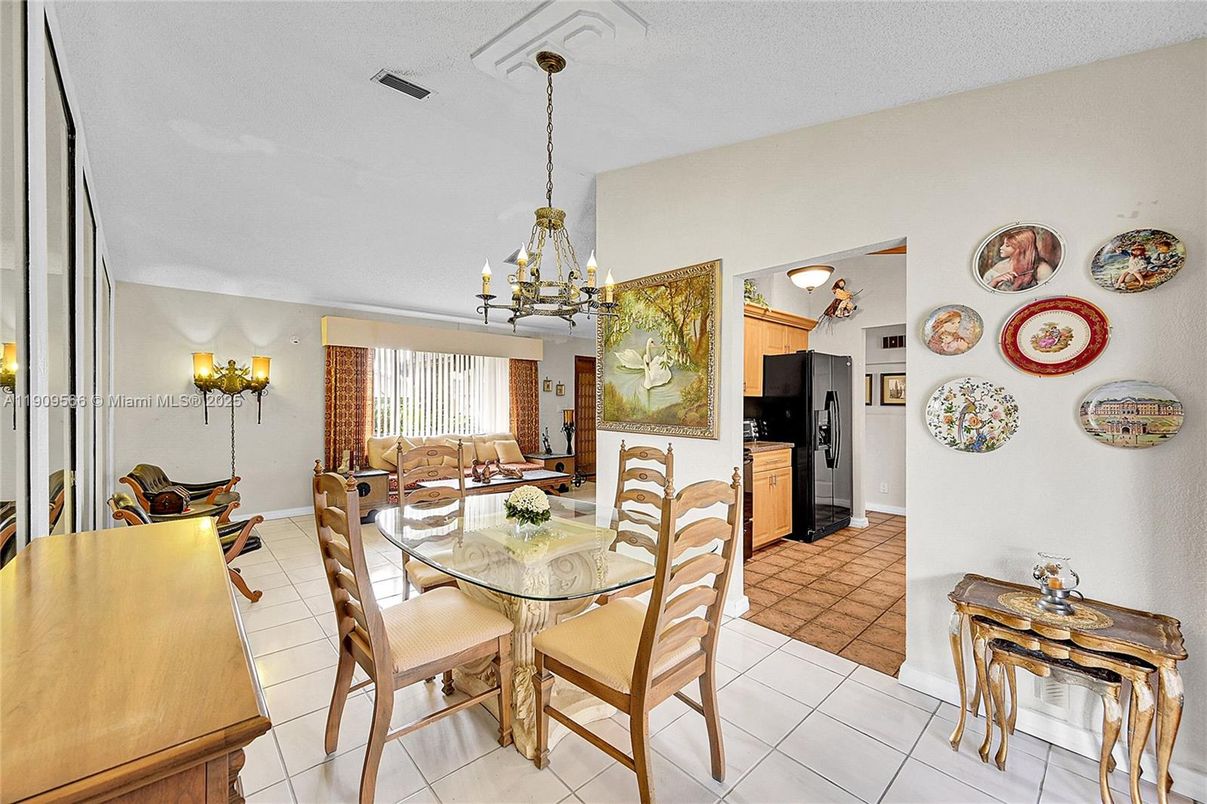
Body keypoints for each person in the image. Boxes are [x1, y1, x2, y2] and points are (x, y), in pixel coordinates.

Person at [984, 228, 1054, 291]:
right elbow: (984, 292)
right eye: (1003, 244)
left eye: (1007, 246)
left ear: (1021, 248)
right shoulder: (1000, 265)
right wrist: (995, 281)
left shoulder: (1042, 269)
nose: (1001, 248)